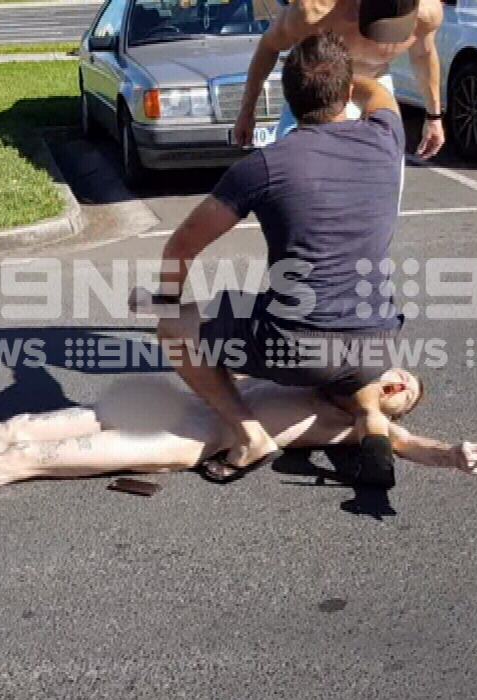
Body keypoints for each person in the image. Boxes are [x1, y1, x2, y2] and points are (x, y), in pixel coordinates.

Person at [151, 31, 408, 484]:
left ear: (287, 99)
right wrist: (352, 72)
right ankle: (370, 419)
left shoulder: (264, 165)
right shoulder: (386, 138)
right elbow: (379, 91)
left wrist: (168, 301)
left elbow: (181, 247)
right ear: (346, 93)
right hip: (378, 343)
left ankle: (248, 435)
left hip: (299, 348)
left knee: (174, 326)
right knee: (344, 347)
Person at [0, 368, 477, 491]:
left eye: (404, 391)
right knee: (19, 424)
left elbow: (410, 447)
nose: (394, 383)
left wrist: (454, 452)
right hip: (163, 405)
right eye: (399, 373)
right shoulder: (320, 370)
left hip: (173, 443)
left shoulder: (362, 417)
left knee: (31, 459)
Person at [234, 0, 446, 158]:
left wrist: (434, 117)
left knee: (382, 179)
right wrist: (247, 111)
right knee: (299, 172)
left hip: (375, 90)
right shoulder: (312, 13)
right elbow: (269, 47)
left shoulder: (427, 14)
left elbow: (423, 55)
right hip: (314, 95)